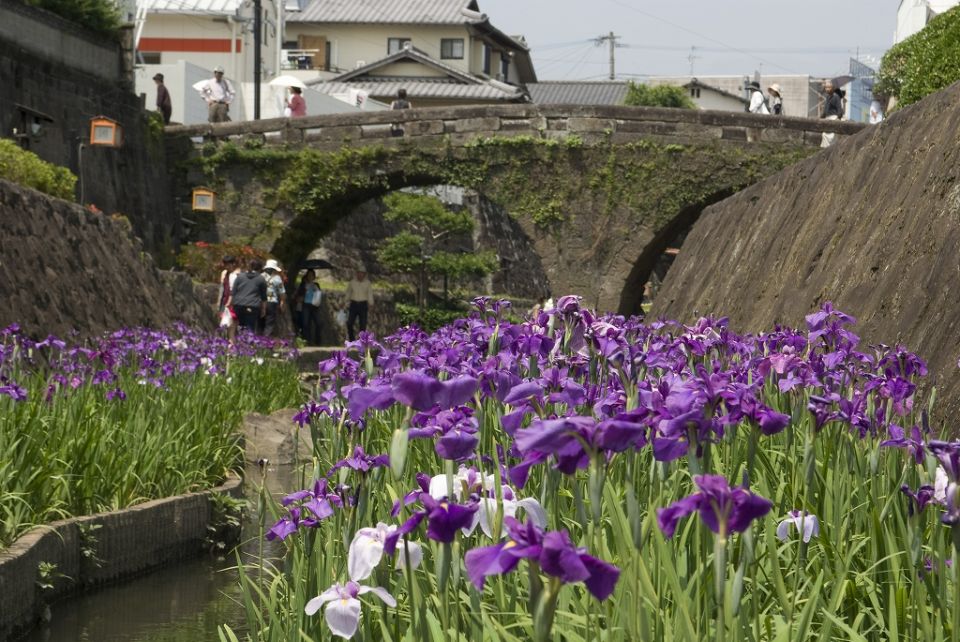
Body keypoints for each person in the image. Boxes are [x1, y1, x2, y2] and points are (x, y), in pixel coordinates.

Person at [232, 258, 267, 334]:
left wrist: (232, 304)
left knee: (239, 327)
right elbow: (263, 296)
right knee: (250, 328)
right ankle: (247, 344)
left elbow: (234, 292)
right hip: (252, 305)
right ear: (260, 268)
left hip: (238, 304)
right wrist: (263, 309)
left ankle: (238, 344)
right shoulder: (261, 279)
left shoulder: (240, 276)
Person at [344, 267, 374, 341]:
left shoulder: (367, 283)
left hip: (363, 305)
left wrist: (371, 304)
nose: (360, 275)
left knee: (363, 324)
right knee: (350, 323)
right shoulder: (352, 282)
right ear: (356, 273)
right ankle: (352, 339)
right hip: (353, 304)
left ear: (364, 274)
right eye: (359, 273)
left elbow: (369, 294)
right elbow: (348, 293)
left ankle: (362, 341)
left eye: (362, 273)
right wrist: (344, 301)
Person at [296, 269, 322, 345]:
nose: (310, 277)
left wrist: (315, 288)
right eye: (309, 275)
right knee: (305, 323)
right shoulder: (303, 284)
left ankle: (318, 342)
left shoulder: (316, 285)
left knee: (319, 323)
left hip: (314, 306)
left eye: (312, 275)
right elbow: (299, 296)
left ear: (314, 277)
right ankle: (306, 341)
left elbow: (319, 294)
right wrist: (305, 291)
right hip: (306, 305)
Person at [217, 255, 240, 343]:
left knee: (232, 325)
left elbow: (233, 291)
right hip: (224, 302)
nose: (226, 266)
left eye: (228, 264)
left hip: (233, 303)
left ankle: (232, 344)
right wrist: (219, 302)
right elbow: (222, 288)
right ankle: (227, 342)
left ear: (233, 264)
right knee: (224, 324)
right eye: (225, 264)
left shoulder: (237, 275)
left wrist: (230, 302)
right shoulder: (225, 273)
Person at [261, 259, 286, 337]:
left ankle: (258, 340)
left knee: (260, 321)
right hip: (272, 302)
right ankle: (266, 340)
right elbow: (282, 292)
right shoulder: (277, 278)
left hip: (261, 301)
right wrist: (282, 303)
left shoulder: (261, 276)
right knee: (270, 322)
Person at [820, 80, 844, 147]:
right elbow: (825, 110)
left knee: (832, 137)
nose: (827, 89)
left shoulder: (836, 97)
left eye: (829, 87)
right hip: (828, 118)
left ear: (832, 88)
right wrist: (821, 117)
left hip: (834, 118)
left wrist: (838, 118)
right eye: (826, 87)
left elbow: (840, 111)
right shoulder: (828, 97)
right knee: (824, 134)